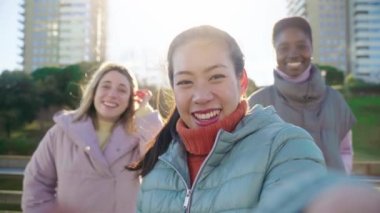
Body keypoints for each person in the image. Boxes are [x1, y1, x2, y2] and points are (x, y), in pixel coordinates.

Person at [128, 25, 379, 212]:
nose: (201, 96)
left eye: (216, 77)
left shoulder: (286, 147)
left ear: (242, 81)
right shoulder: (158, 166)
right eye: (185, 82)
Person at [22, 62, 163, 213]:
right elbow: (36, 184)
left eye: (122, 90)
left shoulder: (139, 136)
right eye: (106, 86)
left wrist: (145, 113)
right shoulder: (61, 132)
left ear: (131, 99)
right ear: (94, 91)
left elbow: (161, 162)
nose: (112, 94)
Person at [248, 16, 356, 173]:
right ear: (275, 53)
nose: (293, 54)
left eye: (301, 46)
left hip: (332, 195)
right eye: (284, 48)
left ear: (311, 49)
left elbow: (345, 150)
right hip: (281, 197)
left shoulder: (335, 100)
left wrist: (340, 178)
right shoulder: (257, 103)